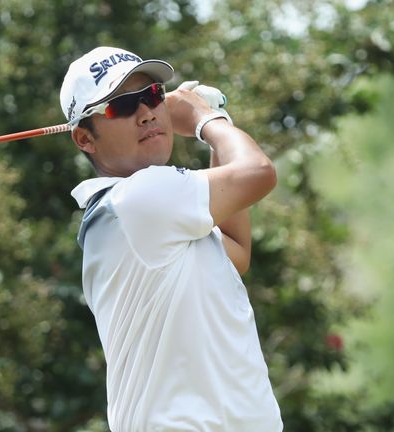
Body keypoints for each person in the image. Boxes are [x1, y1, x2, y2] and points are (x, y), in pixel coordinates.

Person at [60, 46, 283, 431]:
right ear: (85, 138)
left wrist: (217, 130)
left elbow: (236, 251)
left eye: (152, 95)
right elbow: (258, 172)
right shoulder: (137, 198)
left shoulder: (153, 212)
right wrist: (204, 119)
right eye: (121, 106)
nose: (147, 112)